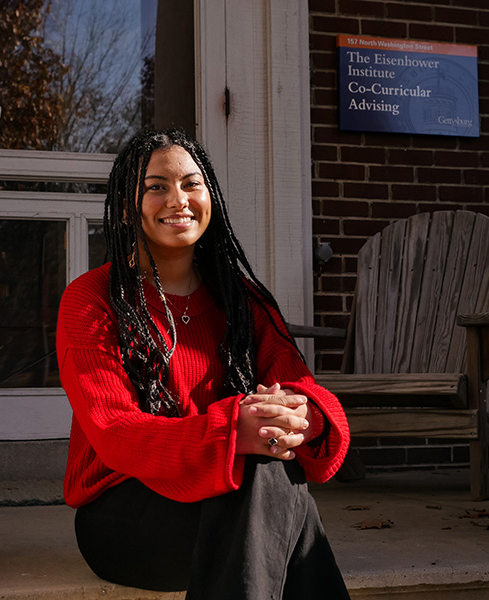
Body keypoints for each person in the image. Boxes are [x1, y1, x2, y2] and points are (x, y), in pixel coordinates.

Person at [56, 128, 351, 599]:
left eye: (192, 184)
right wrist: (234, 430)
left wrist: (300, 417)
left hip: (231, 502)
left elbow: (302, 387)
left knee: (269, 468)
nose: (178, 199)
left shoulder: (243, 299)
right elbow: (115, 432)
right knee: (270, 479)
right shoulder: (92, 300)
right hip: (127, 516)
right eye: (156, 186)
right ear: (129, 205)